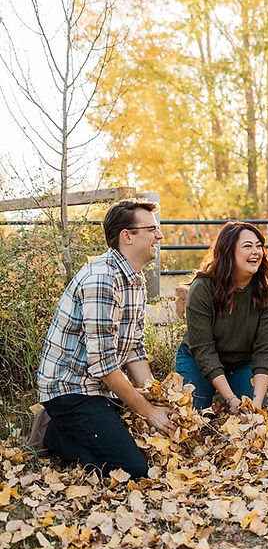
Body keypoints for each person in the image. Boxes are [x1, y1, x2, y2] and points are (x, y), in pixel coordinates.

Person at [35, 198, 175, 479]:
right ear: (127, 236)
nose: (159, 235)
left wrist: (154, 395)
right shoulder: (102, 279)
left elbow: (134, 348)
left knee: (147, 448)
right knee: (132, 471)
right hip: (71, 390)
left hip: (102, 389)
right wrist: (148, 412)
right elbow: (104, 366)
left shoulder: (135, 279)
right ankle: (52, 434)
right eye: (152, 229)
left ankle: (85, 425)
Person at [176, 222, 268, 411]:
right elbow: (203, 350)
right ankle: (216, 391)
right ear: (228, 252)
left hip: (242, 362)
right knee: (194, 414)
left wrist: (257, 403)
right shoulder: (203, 288)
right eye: (247, 246)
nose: (256, 252)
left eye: (259, 246)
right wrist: (231, 399)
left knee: (250, 413)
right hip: (198, 360)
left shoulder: (267, 291)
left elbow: (267, 350)